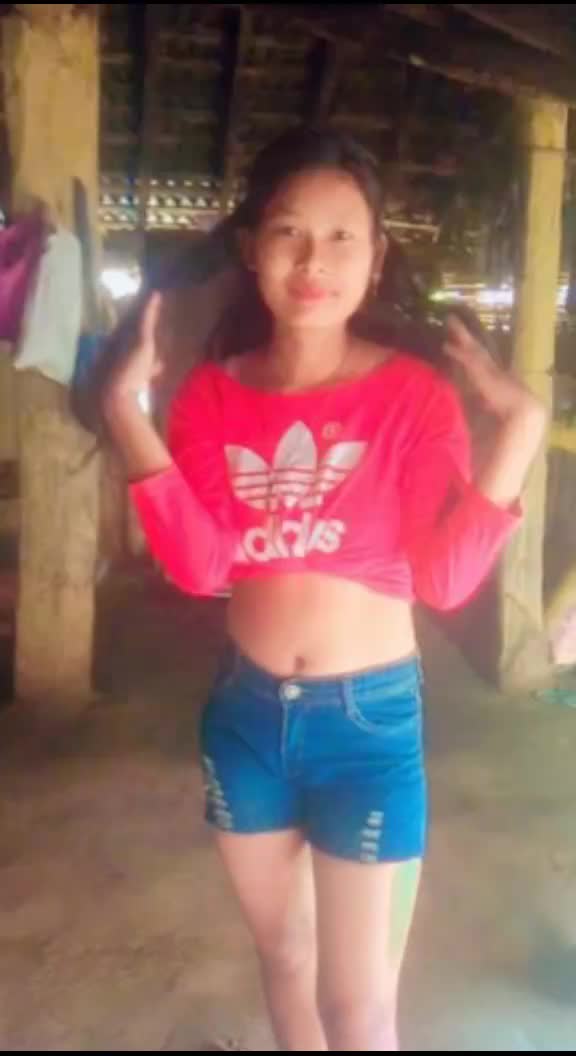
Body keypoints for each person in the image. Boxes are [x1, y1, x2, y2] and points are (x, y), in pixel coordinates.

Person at [101, 129, 546, 1052]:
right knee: (286, 959)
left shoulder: (413, 397)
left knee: (359, 1010)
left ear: (376, 257)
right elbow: (203, 568)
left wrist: (522, 432)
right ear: (251, 248)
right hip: (246, 719)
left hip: (367, 727)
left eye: (343, 236)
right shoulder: (211, 397)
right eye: (290, 232)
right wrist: (123, 416)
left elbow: (444, 580)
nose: (315, 261)